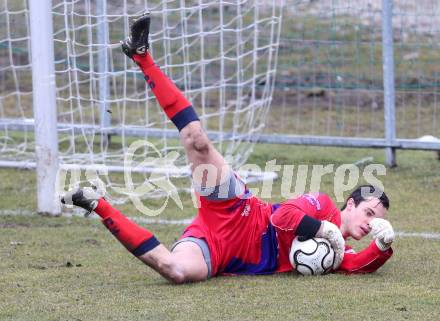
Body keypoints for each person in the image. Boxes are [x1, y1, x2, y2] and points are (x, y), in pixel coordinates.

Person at [61, 13, 395, 284]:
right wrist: (324, 229)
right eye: (369, 213)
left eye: (375, 221)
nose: (369, 224)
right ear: (349, 204)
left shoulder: (339, 253)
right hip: (236, 209)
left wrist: (383, 245)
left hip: (218, 249)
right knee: (197, 140)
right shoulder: (321, 206)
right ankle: (142, 56)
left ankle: (98, 204)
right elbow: (283, 217)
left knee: (175, 271)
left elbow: (360, 265)